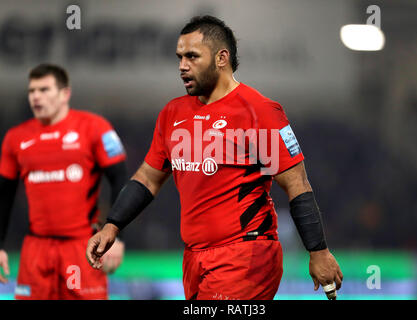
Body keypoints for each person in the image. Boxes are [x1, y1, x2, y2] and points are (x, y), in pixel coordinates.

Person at [86, 15, 343, 300]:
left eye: (192, 56)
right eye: (179, 57)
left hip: (245, 255)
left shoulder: (259, 112)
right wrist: (112, 225)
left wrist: (318, 251)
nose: (182, 66)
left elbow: (297, 184)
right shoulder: (173, 114)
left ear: (222, 58)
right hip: (195, 258)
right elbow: (147, 178)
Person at [0, 63, 127, 300]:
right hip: (35, 251)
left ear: (65, 93)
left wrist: (116, 236)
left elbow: (120, 179)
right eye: (32, 91)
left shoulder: (94, 128)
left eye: (44, 90)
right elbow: (4, 194)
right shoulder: (15, 138)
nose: (36, 97)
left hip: (82, 248)